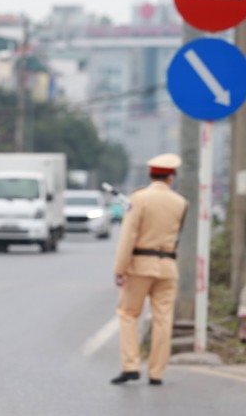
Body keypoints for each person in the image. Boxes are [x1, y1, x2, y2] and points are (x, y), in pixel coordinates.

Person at [110, 153, 188, 386]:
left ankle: (131, 365)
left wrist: (119, 269)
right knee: (163, 319)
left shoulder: (139, 198)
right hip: (168, 267)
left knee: (128, 313)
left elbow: (128, 236)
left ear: (149, 174)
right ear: (171, 177)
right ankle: (157, 372)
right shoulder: (181, 202)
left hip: (140, 265)